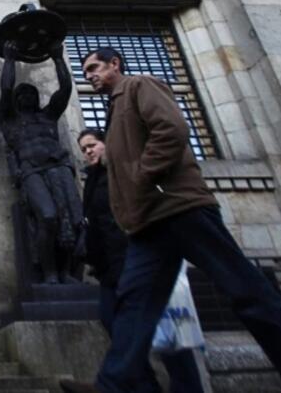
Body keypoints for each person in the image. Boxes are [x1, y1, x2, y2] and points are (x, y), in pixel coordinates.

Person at [60, 47, 281, 393]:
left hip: (181, 210)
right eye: (86, 70)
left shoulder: (140, 86)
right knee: (134, 306)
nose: (89, 74)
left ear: (115, 64)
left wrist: (141, 176)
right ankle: (113, 384)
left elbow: (172, 130)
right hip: (148, 223)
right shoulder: (115, 108)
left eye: (94, 67)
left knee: (247, 292)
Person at [78, 128, 204, 393]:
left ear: (106, 144)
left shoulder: (124, 171)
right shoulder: (92, 180)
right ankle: (145, 387)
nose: (87, 151)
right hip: (109, 268)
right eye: (83, 149)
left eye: (92, 145)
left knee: (168, 329)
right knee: (114, 322)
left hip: (137, 259)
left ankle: (188, 387)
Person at [0, 40, 84, 283]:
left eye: (31, 93)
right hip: (31, 171)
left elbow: (65, 90)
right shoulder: (10, 120)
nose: (27, 96)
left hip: (59, 168)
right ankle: (48, 272)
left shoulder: (48, 117)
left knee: (74, 220)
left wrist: (58, 58)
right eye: (22, 94)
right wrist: (9, 59)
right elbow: (6, 90)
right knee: (47, 217)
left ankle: (67, 272)